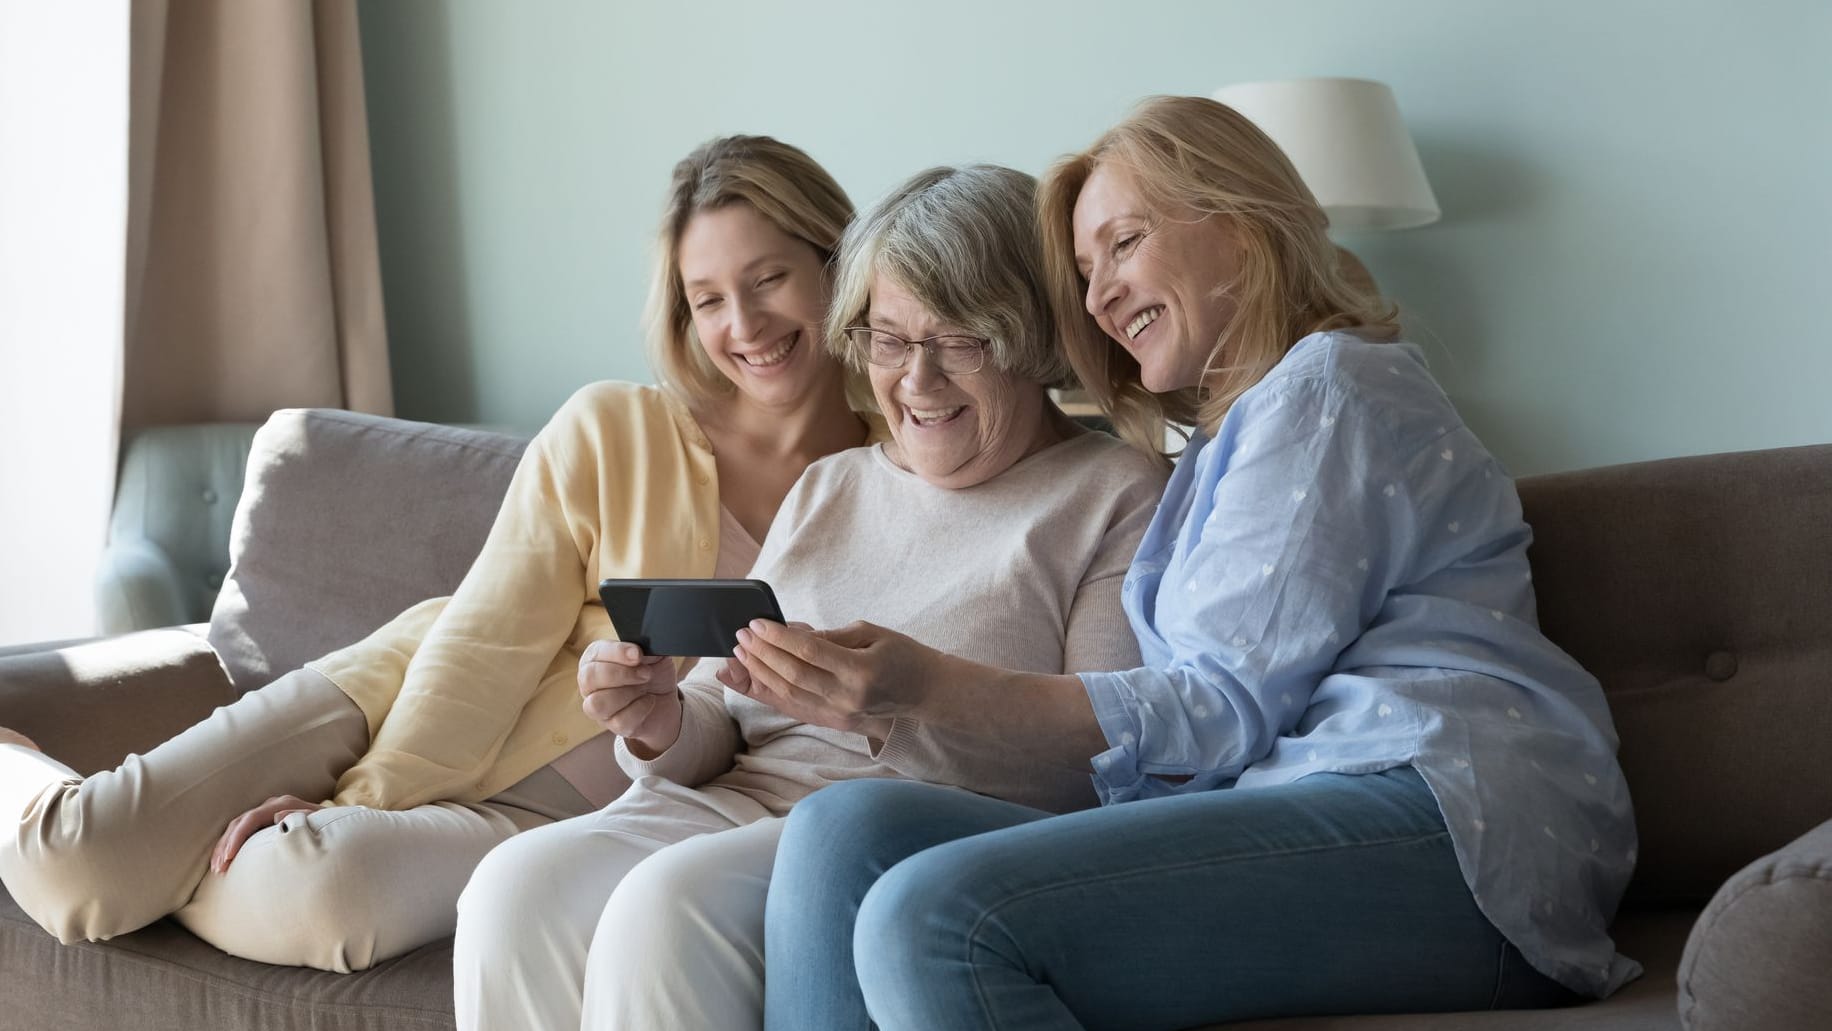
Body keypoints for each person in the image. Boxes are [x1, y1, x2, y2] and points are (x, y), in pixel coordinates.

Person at [742, 95, 1641, 1030]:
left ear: (1244, 231)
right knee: (844, 827)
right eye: (1086, 273)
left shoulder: (1329, 385)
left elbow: (1213, 704)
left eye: (1123, 244)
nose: (1096, 299)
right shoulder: (1226, 442)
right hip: (1315, 801)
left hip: (1452, 823)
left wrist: (922, 688)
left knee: (933, 915)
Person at [0, 134, 879, 973]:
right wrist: (364, 800)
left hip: (553, 823)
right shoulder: (620, 429)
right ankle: (26, 775)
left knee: (311, 884)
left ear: (834, 263)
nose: (745, 324)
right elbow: (490, 634)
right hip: (398, 696)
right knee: (72, 863)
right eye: (709, 298)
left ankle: (161, 860)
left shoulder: (899, 477)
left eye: (769, 279)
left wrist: (338, 834)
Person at [450, 163, 1166, 1031]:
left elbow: (1105, 769)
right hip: (730, 801)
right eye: (891, 341)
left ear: (1032, 335)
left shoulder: (1114, 493)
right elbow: (725, 713)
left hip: (893, 834)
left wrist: (899, 706)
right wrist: (660, 719)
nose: (916, 381)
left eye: (959, 341)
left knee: (662, 909)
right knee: (512, 885)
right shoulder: (832, 486)